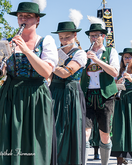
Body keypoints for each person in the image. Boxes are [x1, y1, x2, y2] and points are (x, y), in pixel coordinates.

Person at [0, 0, 58, 165]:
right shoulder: (6, 42)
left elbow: (47, 72)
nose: (23, 19)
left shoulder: (46, 41)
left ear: (37, 20)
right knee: (8, 142)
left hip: (36, 97)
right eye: (20, 16)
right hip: (11, 95)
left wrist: (26, 50)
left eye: (28, 16)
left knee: (35, 143)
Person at [80, 16, 119, 165]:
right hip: (88, 95)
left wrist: (96, 60)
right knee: (85, 132)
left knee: (104, 135)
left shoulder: (110, 52)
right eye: (92, 35)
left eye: (97, 35)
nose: (94, 38)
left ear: (103, 36)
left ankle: (104, 163)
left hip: (106, 96)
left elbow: (114, 72)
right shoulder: (84, 53)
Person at [50, 9, 87, 165]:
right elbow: (49, 76)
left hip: (71, 94)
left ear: (75, 36)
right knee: (53, 131)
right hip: (54, 92)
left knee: (69, 131)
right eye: (61, 38)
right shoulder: (54, 52)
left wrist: (49, 64)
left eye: (67, 37)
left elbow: (66, 73)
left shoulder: (80, 54)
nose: (64, 40)